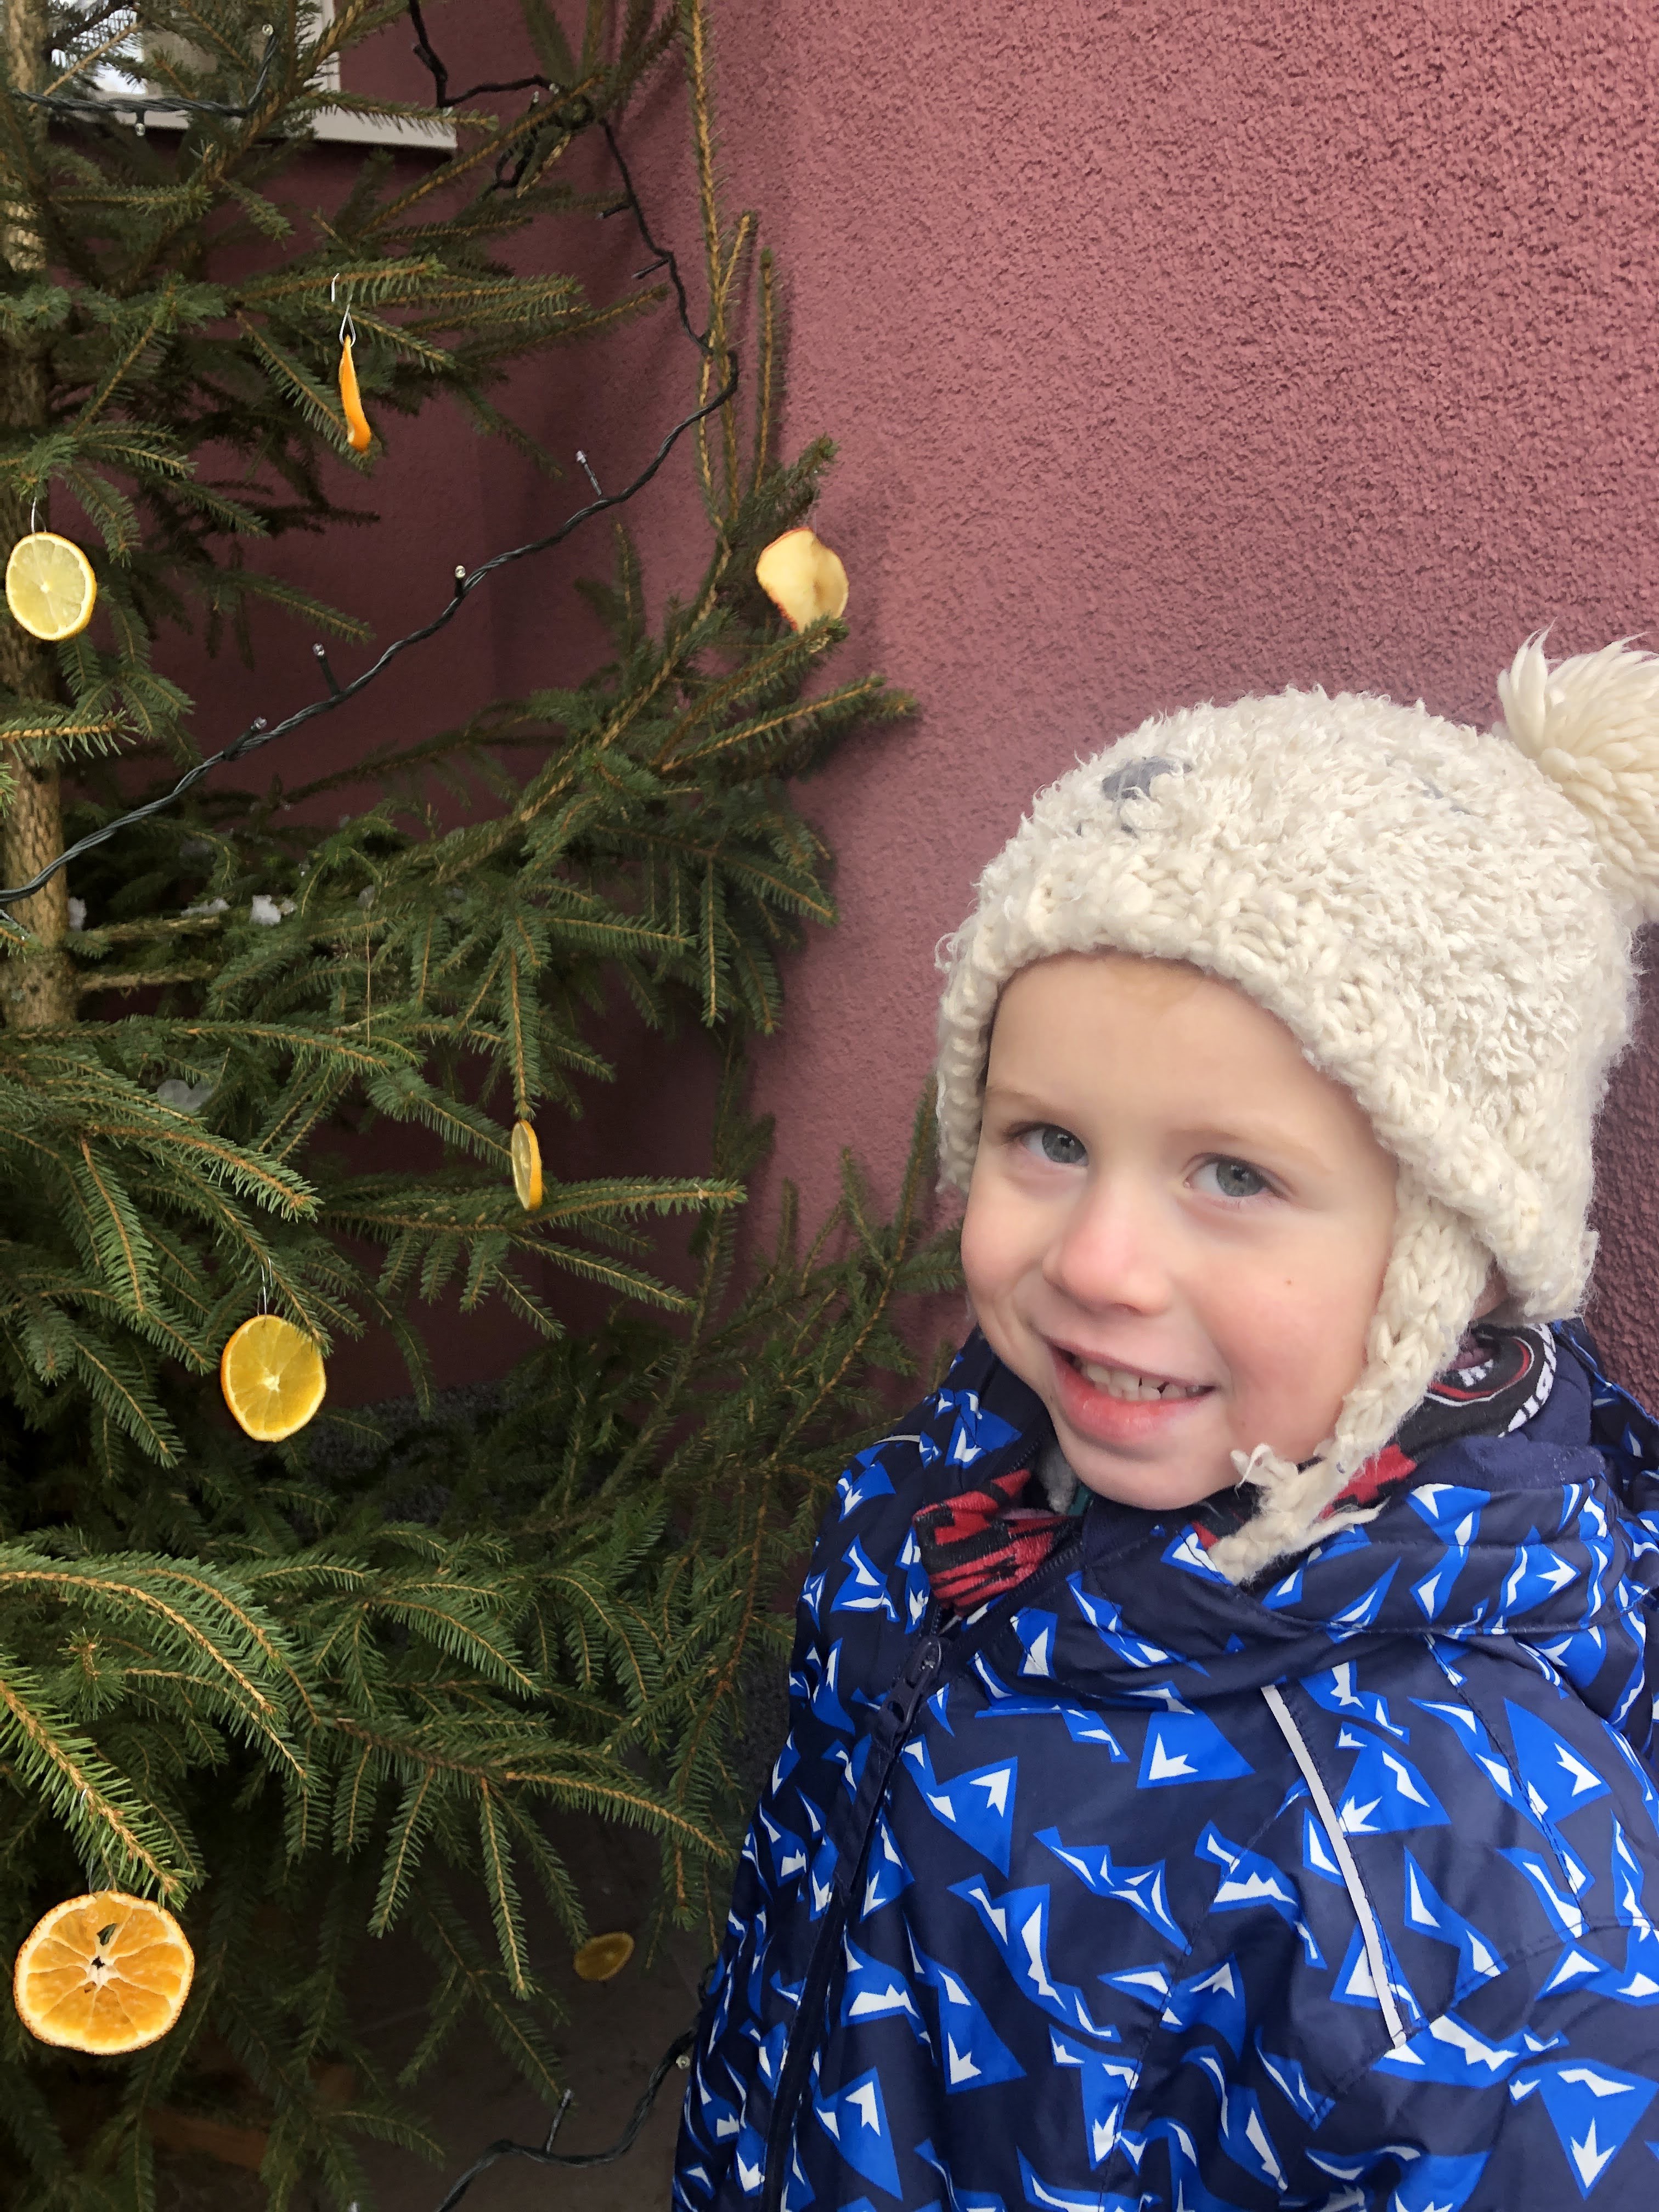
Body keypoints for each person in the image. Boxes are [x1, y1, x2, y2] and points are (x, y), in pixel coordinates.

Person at [671, 637, 1659, 2212]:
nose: (1098, 1266)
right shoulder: (957, 1478)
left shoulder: (1464, 1874)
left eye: (1235, 1175)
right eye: (1049, 1141)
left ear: (1451, 1259)